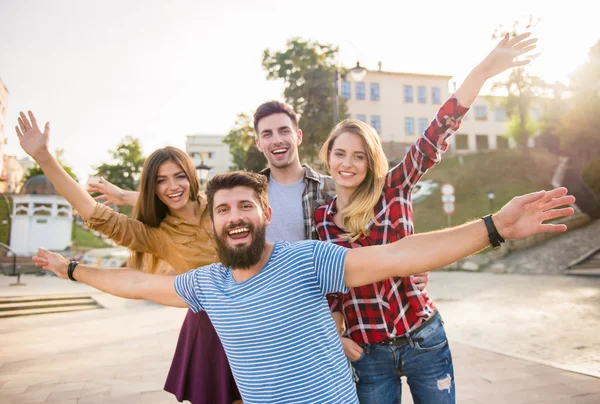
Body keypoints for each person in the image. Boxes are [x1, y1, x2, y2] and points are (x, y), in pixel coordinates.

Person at [33, 170, 575, 404]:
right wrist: (74, 270)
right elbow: (132, 282)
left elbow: (398, 255)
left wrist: (493, 227)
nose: (235, 216)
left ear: (266, 212)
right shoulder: (206, 285)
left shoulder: (307, 260)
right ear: (214, 223)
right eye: (223, 210)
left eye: (246, 205)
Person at [315, 32, 538, 403]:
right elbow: (331, 287)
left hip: (423, 339)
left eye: (358, 155)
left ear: (370, 161)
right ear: (329, 157)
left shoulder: (394, 188)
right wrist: (335, 334)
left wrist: (482, 71)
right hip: (367, 352)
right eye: (340, 154)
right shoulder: (322, 219)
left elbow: (437, 133)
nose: (347, 164)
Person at [15, 114, 240, 404]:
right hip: (215, 326)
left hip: (263, 312)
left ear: (191, 176)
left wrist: (124, 194)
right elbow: (94, 212)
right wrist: (46, 159)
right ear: (152, 187)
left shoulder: (220, 200)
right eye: (161, 181)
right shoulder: (156, 235)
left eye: (179, 176)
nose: (172, 186)